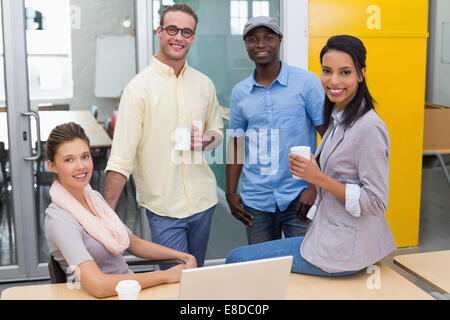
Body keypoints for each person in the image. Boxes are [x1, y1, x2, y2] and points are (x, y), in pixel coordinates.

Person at [226, 35, 396, 276]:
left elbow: (377, 203)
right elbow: (236, 141)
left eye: (345, 72)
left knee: (237, 259)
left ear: (361, 74)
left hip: (346, 248)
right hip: (324, 234)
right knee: (257, 266)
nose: (333, 80)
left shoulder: (368, 127)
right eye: (327, 71)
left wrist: (316, 180)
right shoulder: (339, 119)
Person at [103, 3, 223, 269]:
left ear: (193, 37)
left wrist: (207, 140)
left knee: (196, 276)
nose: (179, 37)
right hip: (164, 208)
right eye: (172, 29)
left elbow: (217, 132)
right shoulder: (138, 89)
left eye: (187, 32)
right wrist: (106, 214)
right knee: (176, 280)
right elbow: (121, 158)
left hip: (204, 201)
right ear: (160, 32)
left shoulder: (204, 84)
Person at [44, 122, 197, 299]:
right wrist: (166, 276)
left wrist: (184, 257)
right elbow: (99, 286)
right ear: (52, 166)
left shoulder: (93, 199)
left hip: (128, 290)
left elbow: (134, 243)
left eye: (85, 156)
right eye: (69, 159)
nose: (81, 166)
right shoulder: (60, 220)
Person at [226, 16, 325, 245]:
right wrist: (230, 193)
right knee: (263, 271)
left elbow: (328, 136)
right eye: (253, 39)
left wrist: (314, 186)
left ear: (279, 41)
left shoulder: (306, 82)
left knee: (303, 265)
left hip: (299, 196)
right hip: (256, 201)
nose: (260, 45)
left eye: (268, 38)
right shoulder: (240, 93)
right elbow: (236, 144)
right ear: (246, 45)